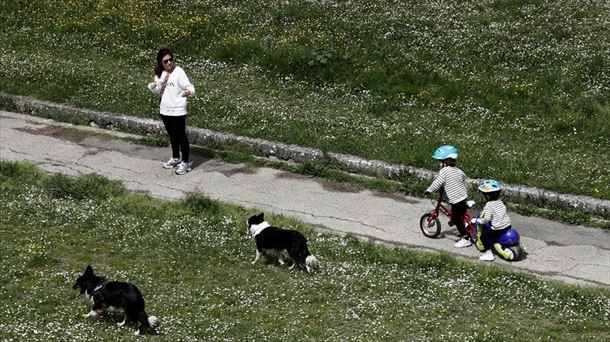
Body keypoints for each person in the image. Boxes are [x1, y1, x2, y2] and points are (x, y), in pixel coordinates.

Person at [148, 48, 195, 175]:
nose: (169, 63)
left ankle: (185, 162)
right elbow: (158, 90)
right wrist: (152, 87)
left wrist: (189, 92)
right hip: (165, 109)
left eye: (170, 60)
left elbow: (190, 86)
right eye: (165, 61)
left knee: (181, 136)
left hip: (178, 110)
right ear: (160, 62)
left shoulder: (179, 72)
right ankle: (175, 158)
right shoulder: (160, 73)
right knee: (172, 135)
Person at [424, 145, 471, 248]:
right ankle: (463, 227)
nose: (439, 163)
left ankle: (465, 238)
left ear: (447, 161)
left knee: (456, 219)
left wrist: (429, 190)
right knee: (460, 215)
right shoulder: (459, 171)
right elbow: (464, 180)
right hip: (463, 197)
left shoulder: (444, 171)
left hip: (457, 200)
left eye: (440, 161)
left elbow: (437, 182)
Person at [473, 179, 513, 261]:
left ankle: (488, 254)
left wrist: (478, 221)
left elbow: (487, 219)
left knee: (484, 237)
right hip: (507, 226)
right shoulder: (500, 202)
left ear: (487, 196)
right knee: (492, 230)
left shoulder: (489, 205)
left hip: (497, 229)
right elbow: (499, 213)